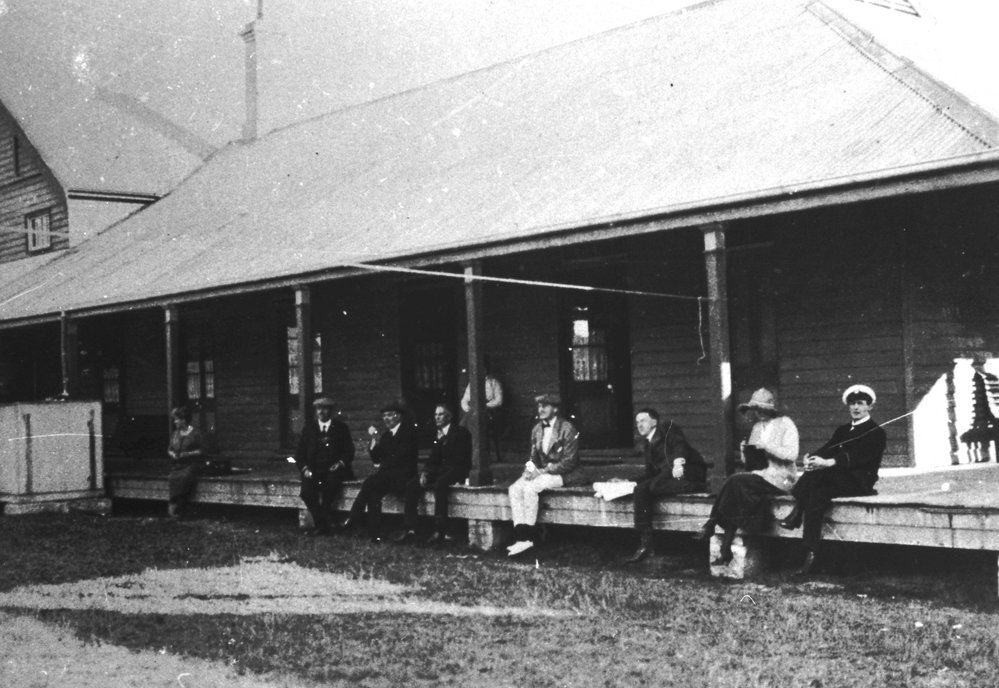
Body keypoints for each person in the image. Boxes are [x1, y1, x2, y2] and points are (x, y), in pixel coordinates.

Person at [780, 384, 886, 576]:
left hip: (859, 481)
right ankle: (811, 552)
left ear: (870, 406)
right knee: (818, 493)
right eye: (852, 404)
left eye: (860, 403)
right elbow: (829, 448)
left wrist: (829, 462)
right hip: (836, 480)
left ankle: (797, 514)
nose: (855, 407)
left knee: (819, 477)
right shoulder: (843, 430)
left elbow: (859, 457)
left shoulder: (876, 432)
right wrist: (812, 458)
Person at [695, 387, 799, 565]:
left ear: (770, 409)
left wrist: (767, 447)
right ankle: (725, 549)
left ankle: (711, 524)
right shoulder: (757, 428)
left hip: (782, 479)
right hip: (761, 476)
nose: (758, 413)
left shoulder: (785, 423)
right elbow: (752, 465)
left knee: (734, 482)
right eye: (755, 409)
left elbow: (792, 454)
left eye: (762, 409)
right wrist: (745, 452)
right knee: (735, 492)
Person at [625, 408, 707, 563]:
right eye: (637, 422)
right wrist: (628, 481)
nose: (639, 425)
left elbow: (679, 445)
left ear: (654, 422)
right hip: (667, 477)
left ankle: (696, 486)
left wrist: (678, 462)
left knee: (651, 487)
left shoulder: (667, 429)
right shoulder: (647, 445)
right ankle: (645, 542)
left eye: (643, 421)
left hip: (687, 471)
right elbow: (649, 473)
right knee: (642, 488)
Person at [506, 393, 583, 556]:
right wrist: (528, 471)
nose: (540, 409)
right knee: (515, 488)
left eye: (545, 406)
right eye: (539, 406)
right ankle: (521, 537)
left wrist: (542, 471)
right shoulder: (536, 429)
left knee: (530, 488)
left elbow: (569, 462)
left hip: (564, 474)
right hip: (543, 473)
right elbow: (533, 459)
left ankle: (529, 536)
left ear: (555, 409)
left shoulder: (567, 428)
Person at [340, 401, 419, 542]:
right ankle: (374, 534)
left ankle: (353, 516)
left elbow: (400, 459)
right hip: (388, 477)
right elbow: (377, 458)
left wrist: (384, 466)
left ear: (398, 416)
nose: (386, 419)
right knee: (373, 493)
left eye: (389, 415)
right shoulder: (386, 436)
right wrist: (374, 440)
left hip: (404, 476)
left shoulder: (408, 432)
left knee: (370, 482)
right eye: (384, 416)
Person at [394, 404, 472, 544]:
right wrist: (425, 473)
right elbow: (433, 459)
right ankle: (410, 529)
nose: (437, 417)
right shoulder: (439, 434)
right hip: (442, 471)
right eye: (435, 415)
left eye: (440, 414)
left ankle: (441, 531)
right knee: (412, 484)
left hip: (457, 470)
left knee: (440, 484)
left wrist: (434, 472)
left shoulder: (460, 432)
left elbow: (458, 459)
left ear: (449, 417)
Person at [293, 397, 355, 536]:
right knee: (306, 492)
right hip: (313, 469)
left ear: (331, 411)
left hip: (334, 469)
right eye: (318, 408)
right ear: (315, 411)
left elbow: (349, 451)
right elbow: (299, 453)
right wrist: (305, 469)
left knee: (331, 488)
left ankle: (321, 525)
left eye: (325, 408)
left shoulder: (341, 428)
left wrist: (340, 463)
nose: (321, 411)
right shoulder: (309, 429)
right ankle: (323, 523)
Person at [460, 355, 505, 459]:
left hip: (488, 412)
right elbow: (464, 399)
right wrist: (467, 407)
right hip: (472, 411)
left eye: (482, 368)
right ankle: (468, 454)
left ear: (486, 369)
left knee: (475, 423)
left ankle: (482, 456)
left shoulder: (493, 383)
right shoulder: (472, 383)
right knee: (463, 426)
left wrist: (483, 406)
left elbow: (499, 401)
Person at [166, 406, 206, 519]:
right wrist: (172, 454)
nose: (174, 422)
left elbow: (202, 450)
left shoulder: (195, 433)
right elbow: (169, 449)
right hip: (178, 465)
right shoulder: (175, 434)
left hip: (192, 464)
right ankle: (175, 503)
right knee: (173, 477)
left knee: (185, 476)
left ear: (183, 420)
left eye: (176, 419)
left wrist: (187, 454)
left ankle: (179, 506)